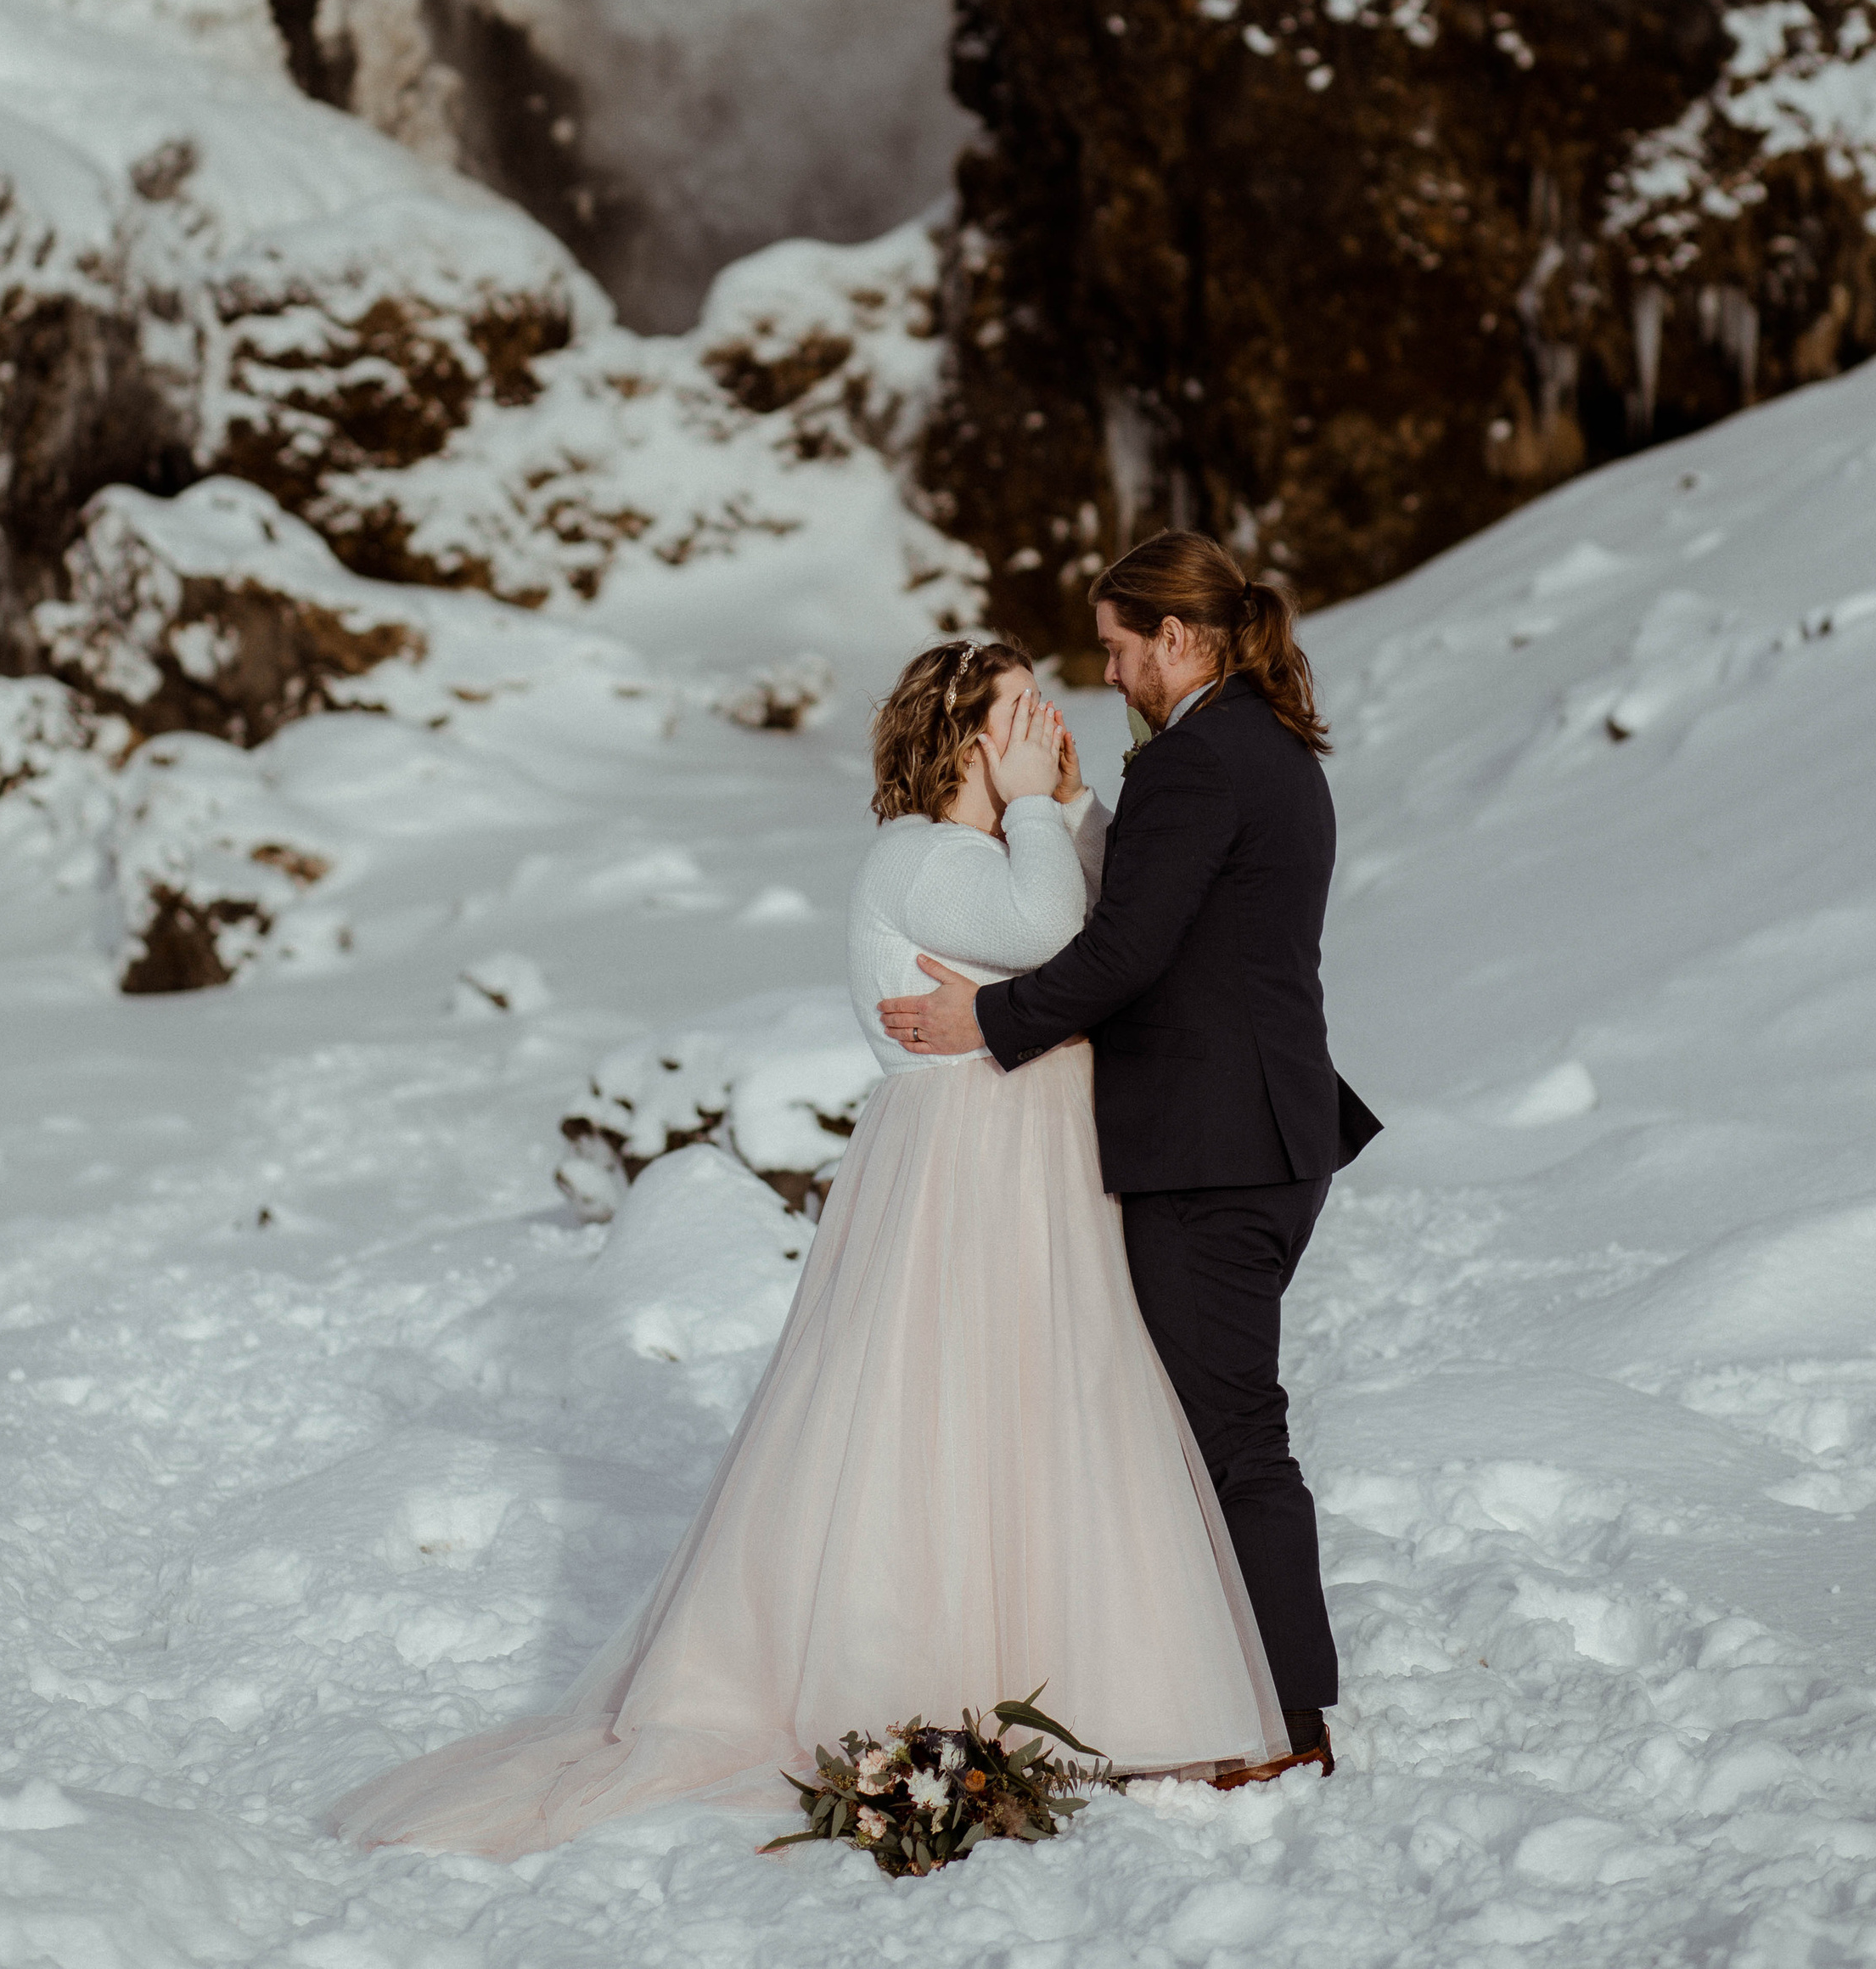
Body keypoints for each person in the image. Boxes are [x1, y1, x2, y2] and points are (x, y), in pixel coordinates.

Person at [329, 637, 1285, 1859]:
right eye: (1021, 710)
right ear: (965, 738)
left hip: (1033, 1169)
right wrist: (1041, 807)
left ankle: (1102, 1686)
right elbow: (1050, 926)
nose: (1049, 721)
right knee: (943, 1419)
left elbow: (1110, 922)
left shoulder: (1005, 843)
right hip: (967, 1174)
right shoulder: (921, 858)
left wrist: (1068, 794)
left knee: (1052, 1410)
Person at [879, 533, 1379, 1788]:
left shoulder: (1196, 762)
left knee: (1228, 1437)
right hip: (1265, 1133)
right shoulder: (1266, 746)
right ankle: (1240, 1690)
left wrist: (985, 1021)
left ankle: (1287, 1720)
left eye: (1116, 647)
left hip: (1212, 1149)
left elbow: (1123, 953)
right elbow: (1176, 921)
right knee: (1208, 1425)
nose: (1105, 674)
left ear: (1177, 635)